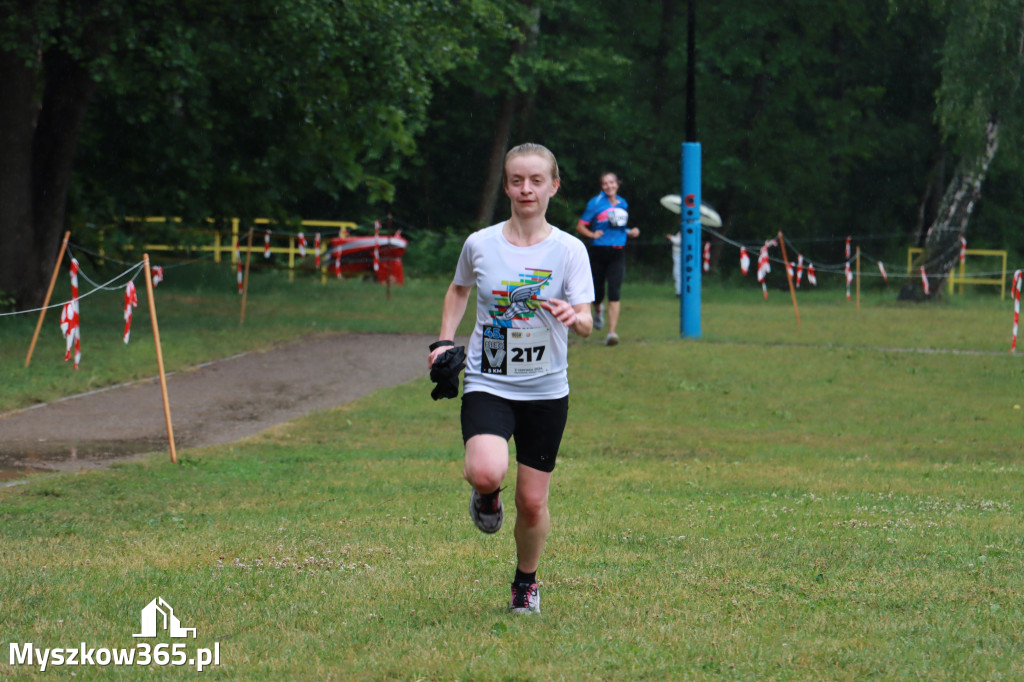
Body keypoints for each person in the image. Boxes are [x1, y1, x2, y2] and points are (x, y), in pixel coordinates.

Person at [428, 143, 594, 615]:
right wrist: (442, 342)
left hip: (545, 389)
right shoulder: (481, 243)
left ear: (553, 186)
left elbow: (586, 320)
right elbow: (459, 289)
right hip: (489, 380)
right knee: (484, 470)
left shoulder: (569, 250)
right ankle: (485, 497)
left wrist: (571, 315)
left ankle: (526, 581)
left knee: (532, 503)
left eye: (536, 180)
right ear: (506, 186)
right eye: (517, 180)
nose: (526, 189)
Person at [575, 172, 639, 346]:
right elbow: (580, 226)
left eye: (612, 182)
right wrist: (592, 234)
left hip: (617, 252)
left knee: (614, 292)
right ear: (602, 186)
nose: (609, 186)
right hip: (598, 251)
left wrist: (631, 231)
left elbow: (619, 227)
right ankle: (597, 311)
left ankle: (611, 333)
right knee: (597, 292)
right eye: (605, 183)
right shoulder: (595, 203)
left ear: (618, 183)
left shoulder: (623, 203)